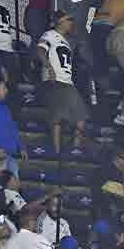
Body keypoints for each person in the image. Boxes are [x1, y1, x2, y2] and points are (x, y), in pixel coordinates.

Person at [37, 10, 88, 155]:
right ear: (60, 22)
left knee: (81, 115)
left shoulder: (65, 40)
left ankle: (74, 148)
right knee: (58, 116)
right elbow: (40, 50)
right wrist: (49, 68)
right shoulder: (49, 35)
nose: (71, 23)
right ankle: (58, 151)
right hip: (56, 80)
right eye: (68, 20)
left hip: (66, 81)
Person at [52, 0, 105, 103]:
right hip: (66, 34)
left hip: (82, 35)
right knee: (63, 63)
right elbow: (57, 14)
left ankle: (93, 95)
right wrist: (66, 29)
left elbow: (102, 4)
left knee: (90, 62)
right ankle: (60, 94)